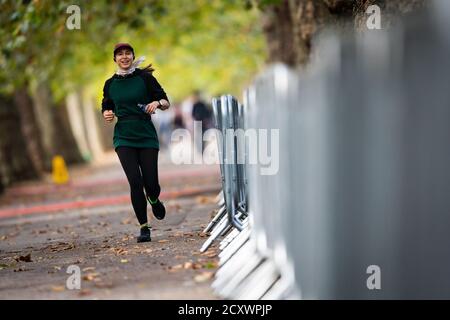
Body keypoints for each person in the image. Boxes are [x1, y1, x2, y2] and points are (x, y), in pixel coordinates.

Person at [101, 43, 170, 243]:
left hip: (146, 133)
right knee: (135, 182)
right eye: (120, 54)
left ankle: (154, 199)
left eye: (127, 53)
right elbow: (106, 104)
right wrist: (107, 113)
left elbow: (165, 101)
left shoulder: (145, 78)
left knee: (151, 183)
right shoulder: (110, 83)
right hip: (123, 136)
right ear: (115, 59)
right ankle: (144, 227)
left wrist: (156, 103)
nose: (124, 57)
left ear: (132, 56)